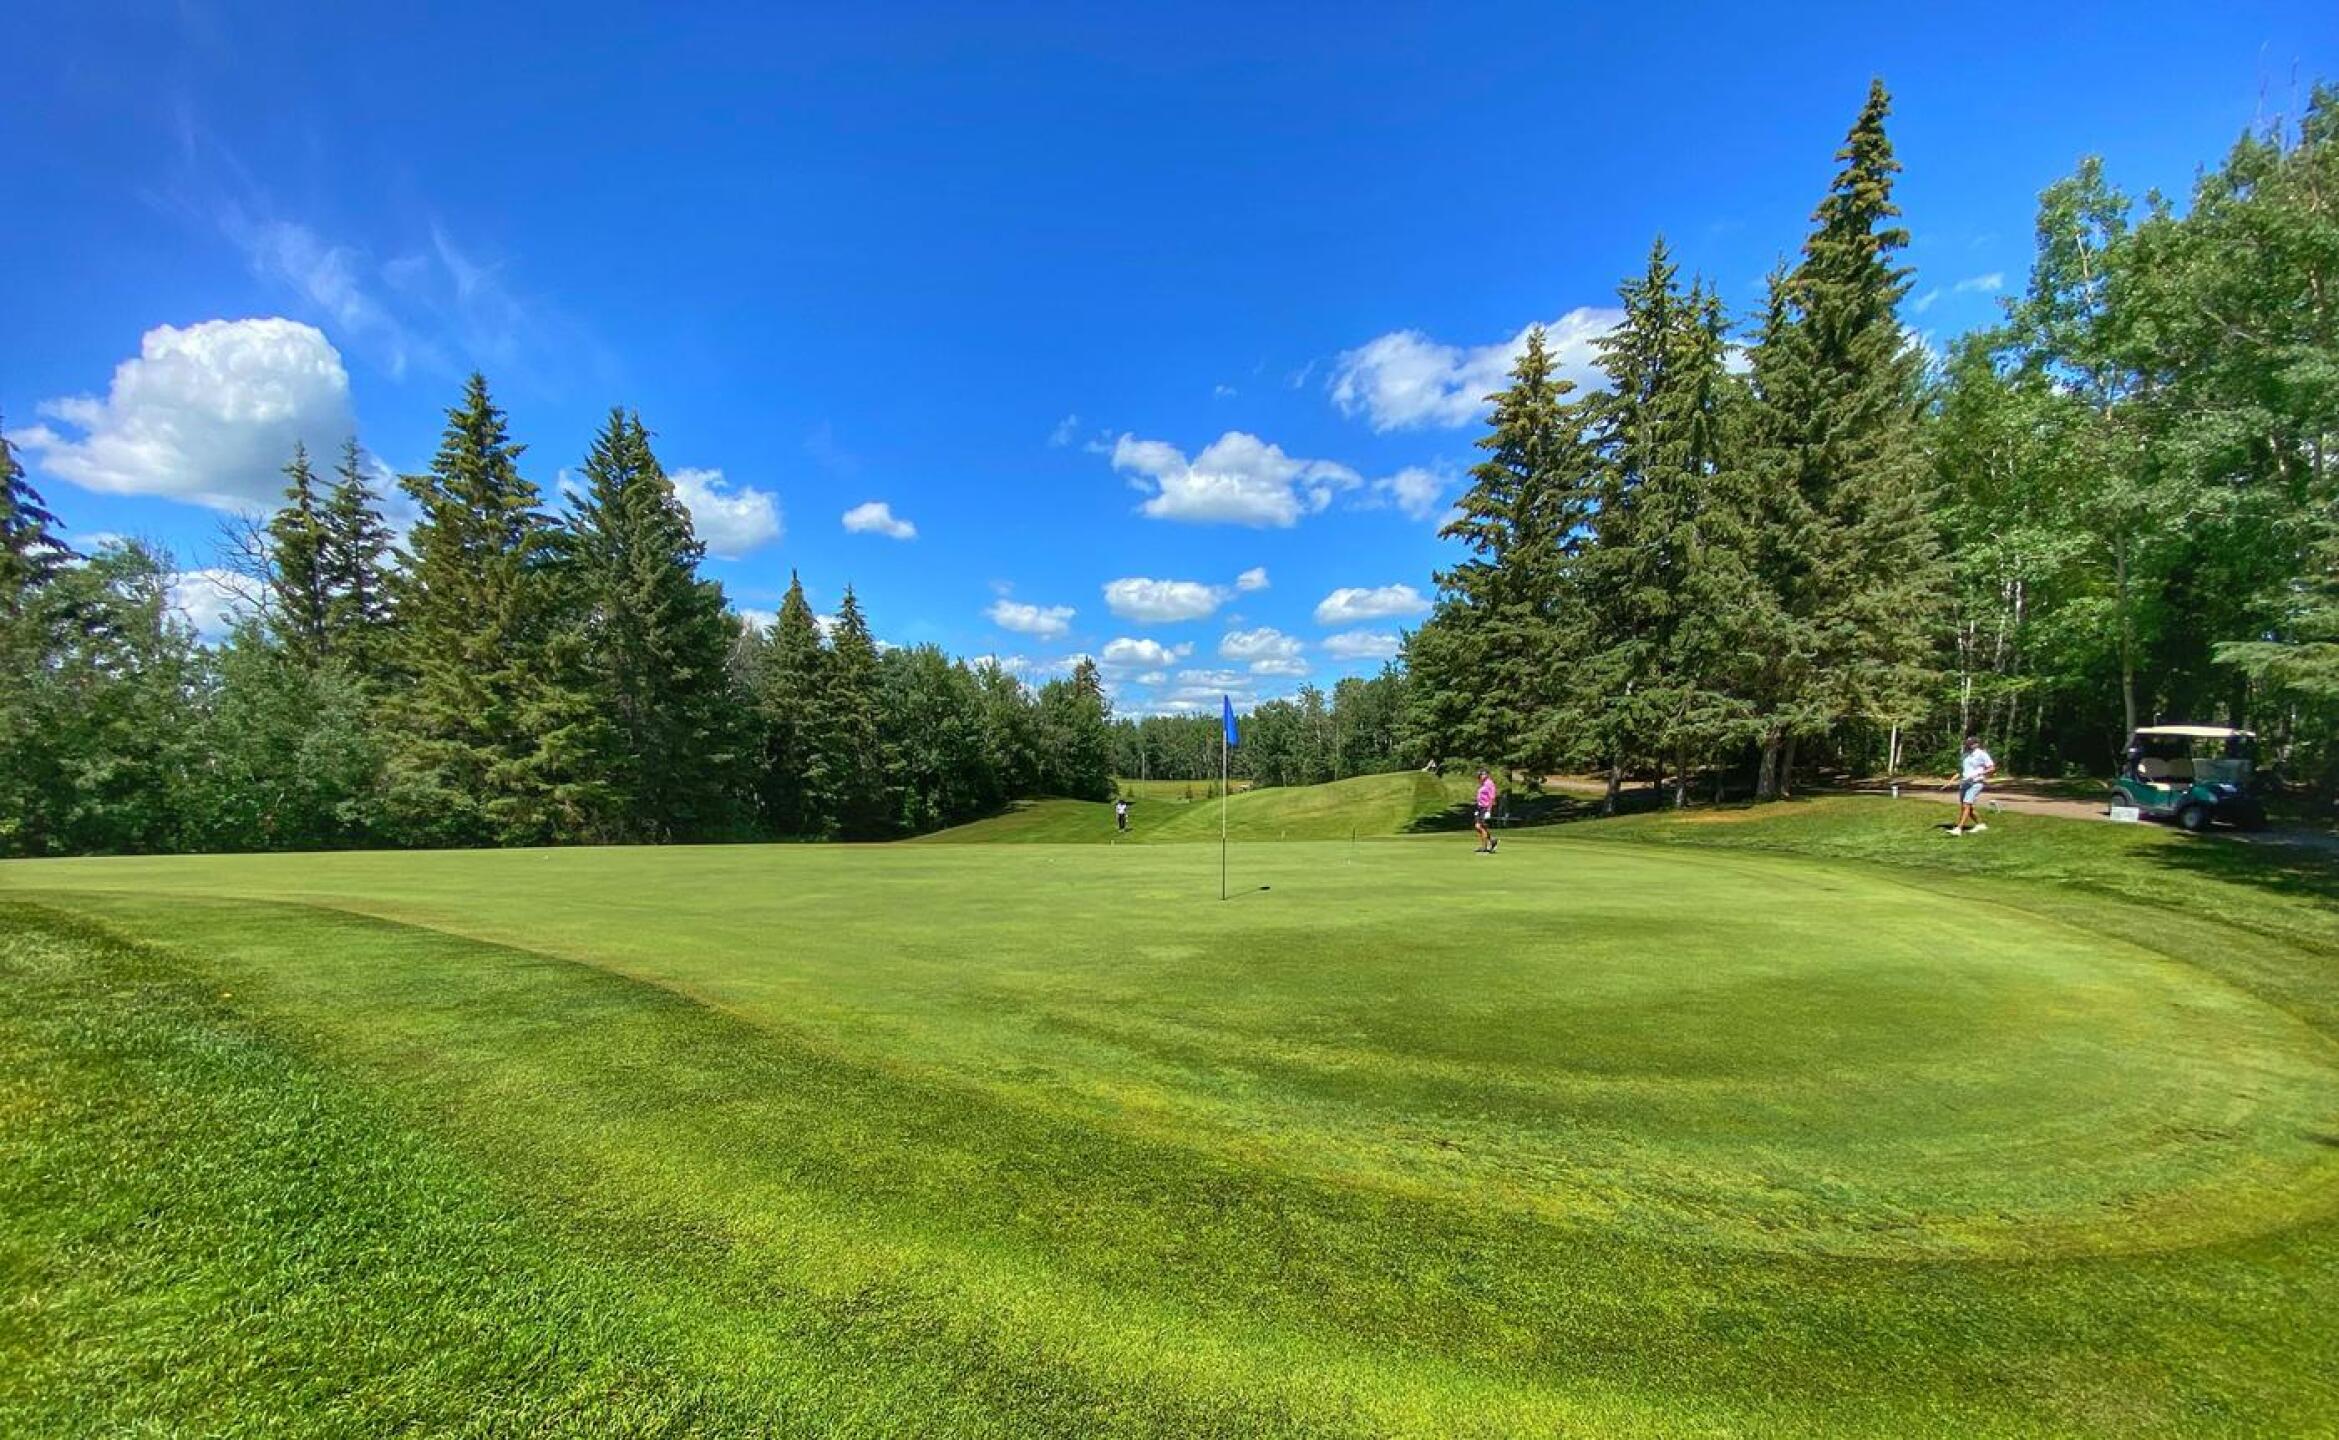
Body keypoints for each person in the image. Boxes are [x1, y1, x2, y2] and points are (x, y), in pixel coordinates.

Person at [1950, 734, 1996, 835]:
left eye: (1971, 743)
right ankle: (1980, 825)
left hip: (1976, 783)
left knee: (1966, 805)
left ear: (1977, 744)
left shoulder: (1982, 754)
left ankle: (1959, 829)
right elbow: (1961, 771)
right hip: (1965, 783)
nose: (1969, 745)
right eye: (1968, 743)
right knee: (1967, 807)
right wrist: (1951, 781)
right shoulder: (1965, 755)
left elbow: (1992, 768)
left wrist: (1979, 773)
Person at [1474, 770, 1499, 853]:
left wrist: (1489, 810)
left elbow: (1492, 797)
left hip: (1485, 808)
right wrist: (1477, 809)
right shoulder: (1483, 784)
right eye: (1480, 775)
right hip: (1479, 808)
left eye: (1483, 774)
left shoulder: (1489, 784)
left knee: (1482, 827)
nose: (1481, 776)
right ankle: (1492, 840)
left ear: (1486, 775)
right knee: (1477, 826)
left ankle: (1484, 847)